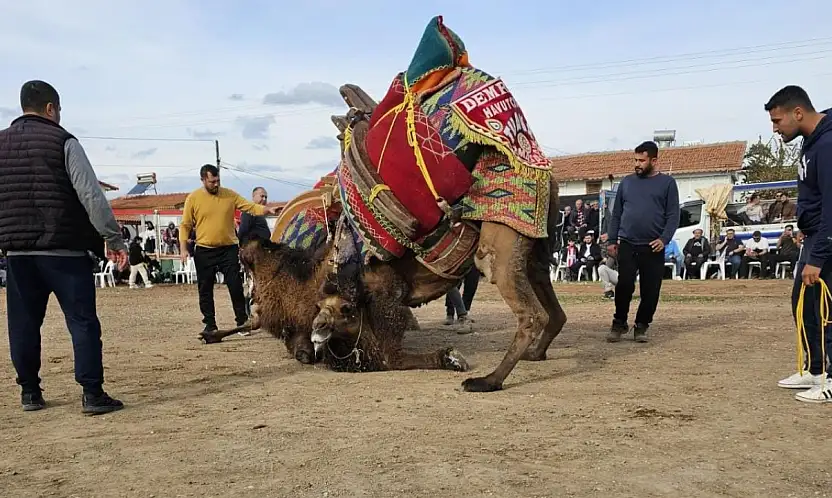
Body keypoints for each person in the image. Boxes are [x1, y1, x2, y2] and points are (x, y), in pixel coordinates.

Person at [0, 80, 128, 414]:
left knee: (23, 323)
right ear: (51, 109)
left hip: (18, 253)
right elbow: (91, 195)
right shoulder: (63, 141)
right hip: (65, 250)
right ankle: (91, 393)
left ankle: (29, 392)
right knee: (82, 321)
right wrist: (112, 239)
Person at [764, 85, 832, 403]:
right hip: (813, 235)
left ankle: (829, 378)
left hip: (825, 240)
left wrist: (818, 255)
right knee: (802, 302)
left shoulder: (828, 145)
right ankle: (813, 368)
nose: (775, 129)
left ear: (798, 113)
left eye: (778, 121)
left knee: (825, 309)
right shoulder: (810, 142)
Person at [178, 165, 280, 334]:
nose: (216, 184)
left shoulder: (229, 195)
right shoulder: (193, 198)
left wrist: (266, 210)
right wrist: (183, 248)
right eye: (212, 182)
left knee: (235, 286)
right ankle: (210, 324)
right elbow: (185, 225)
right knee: (205, 289)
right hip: (204, 250)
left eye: (218, 180)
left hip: (228, 249)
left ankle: (241, 322)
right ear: (203, 180)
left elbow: (249, 206)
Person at [605, 141, 680, 343]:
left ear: (654, 160)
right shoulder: (626, 183)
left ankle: (642, 325)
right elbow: (617, 214)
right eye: (635, 160)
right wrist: (612, 240)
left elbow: (673, 215)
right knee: (624, 285)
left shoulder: (667, 184)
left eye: (641, 160)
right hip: (627, 243)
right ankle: (619, 323)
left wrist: (664, 239)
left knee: (651, 289)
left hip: (653, 246)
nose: (637, 164)